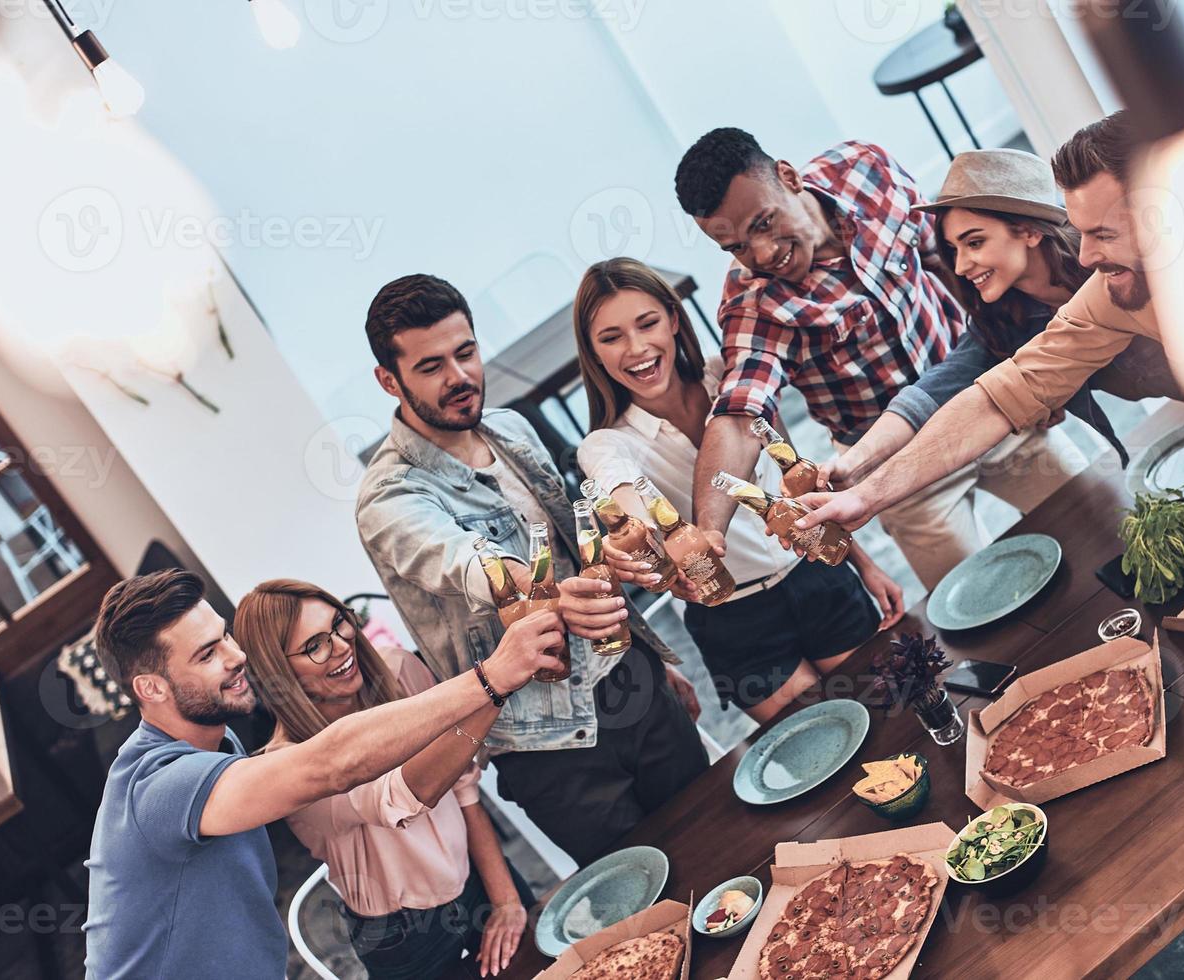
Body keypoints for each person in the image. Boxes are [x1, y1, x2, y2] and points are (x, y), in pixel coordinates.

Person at [799, 111, 1184, 650]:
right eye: (1082, 231)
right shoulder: (1121, 289)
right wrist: (866, 495)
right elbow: (1003, 392)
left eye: (1103, 234)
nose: (1087, 255)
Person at [355, 274, 710, 865]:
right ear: (389, 380)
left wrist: (647, 656)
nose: (459, 376)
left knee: (717, 832)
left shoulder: (513, 429)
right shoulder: (388, 499)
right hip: (547, 742)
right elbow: (470, 561)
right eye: (431, 366)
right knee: (648, 901)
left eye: (465, 353)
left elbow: (578, 552)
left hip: (631, 679)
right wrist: (548, 596)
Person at [82, 569, 562, 980]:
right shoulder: (161, 785)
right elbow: (334, 765)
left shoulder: (219, 744)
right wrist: (492, 678)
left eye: (225, 636)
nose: (236, 656)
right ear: (151, 687)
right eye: (207, 654)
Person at [672, 127, 1089, 591]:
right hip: (891, 466)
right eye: (737, 248)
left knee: (1096, 525)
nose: (763, 254)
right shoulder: (752, 304)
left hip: (987, 399)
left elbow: (946, 260)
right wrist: (708, 527)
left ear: (789, 177)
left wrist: (1015, 362)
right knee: (983, 608)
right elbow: (738, 417)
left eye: (764, 224)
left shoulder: (866, 171)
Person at [571, 257, 905, 722]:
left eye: (647, 323)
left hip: (817, 575)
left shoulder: (731, 376)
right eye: (611, 337)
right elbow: (621, 491)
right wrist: (640, 533)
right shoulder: (605, 443)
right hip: (736, 621)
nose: (637, 348)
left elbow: (797, 481)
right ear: (593, 352)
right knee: (824, 748)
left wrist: (863, 564)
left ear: (672, 317)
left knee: (895, 714)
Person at [818, 147, 1182, 491]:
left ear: (1028, 230)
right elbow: (928, 395)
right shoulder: (999, 324)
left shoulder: (1111, 267)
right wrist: (854, 462)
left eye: (974, 243)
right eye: (954, 249)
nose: (960, 266)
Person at [235, 579, 535, 979]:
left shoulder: (396, 669)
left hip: (478, 877)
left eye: (340, 623)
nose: (342, 645)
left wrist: (505, 900)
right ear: (279, 670)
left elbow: (464, 788)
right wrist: (494, 684)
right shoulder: (289, 767)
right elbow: (404, 796)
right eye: (314, 645)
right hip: (404, 937)